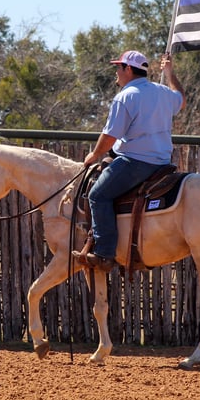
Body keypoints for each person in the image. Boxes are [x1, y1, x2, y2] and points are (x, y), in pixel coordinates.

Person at [73, 50, 185, 271]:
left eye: (118, 67)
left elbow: (110, 136)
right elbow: (181, 100)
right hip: (162, 164)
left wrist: (93, 156)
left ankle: (104, 254)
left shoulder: (126, 96)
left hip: (135, 162)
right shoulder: (163, 92)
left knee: (97, 195)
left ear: (128, 69)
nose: (116, 72)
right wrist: (170, 74)